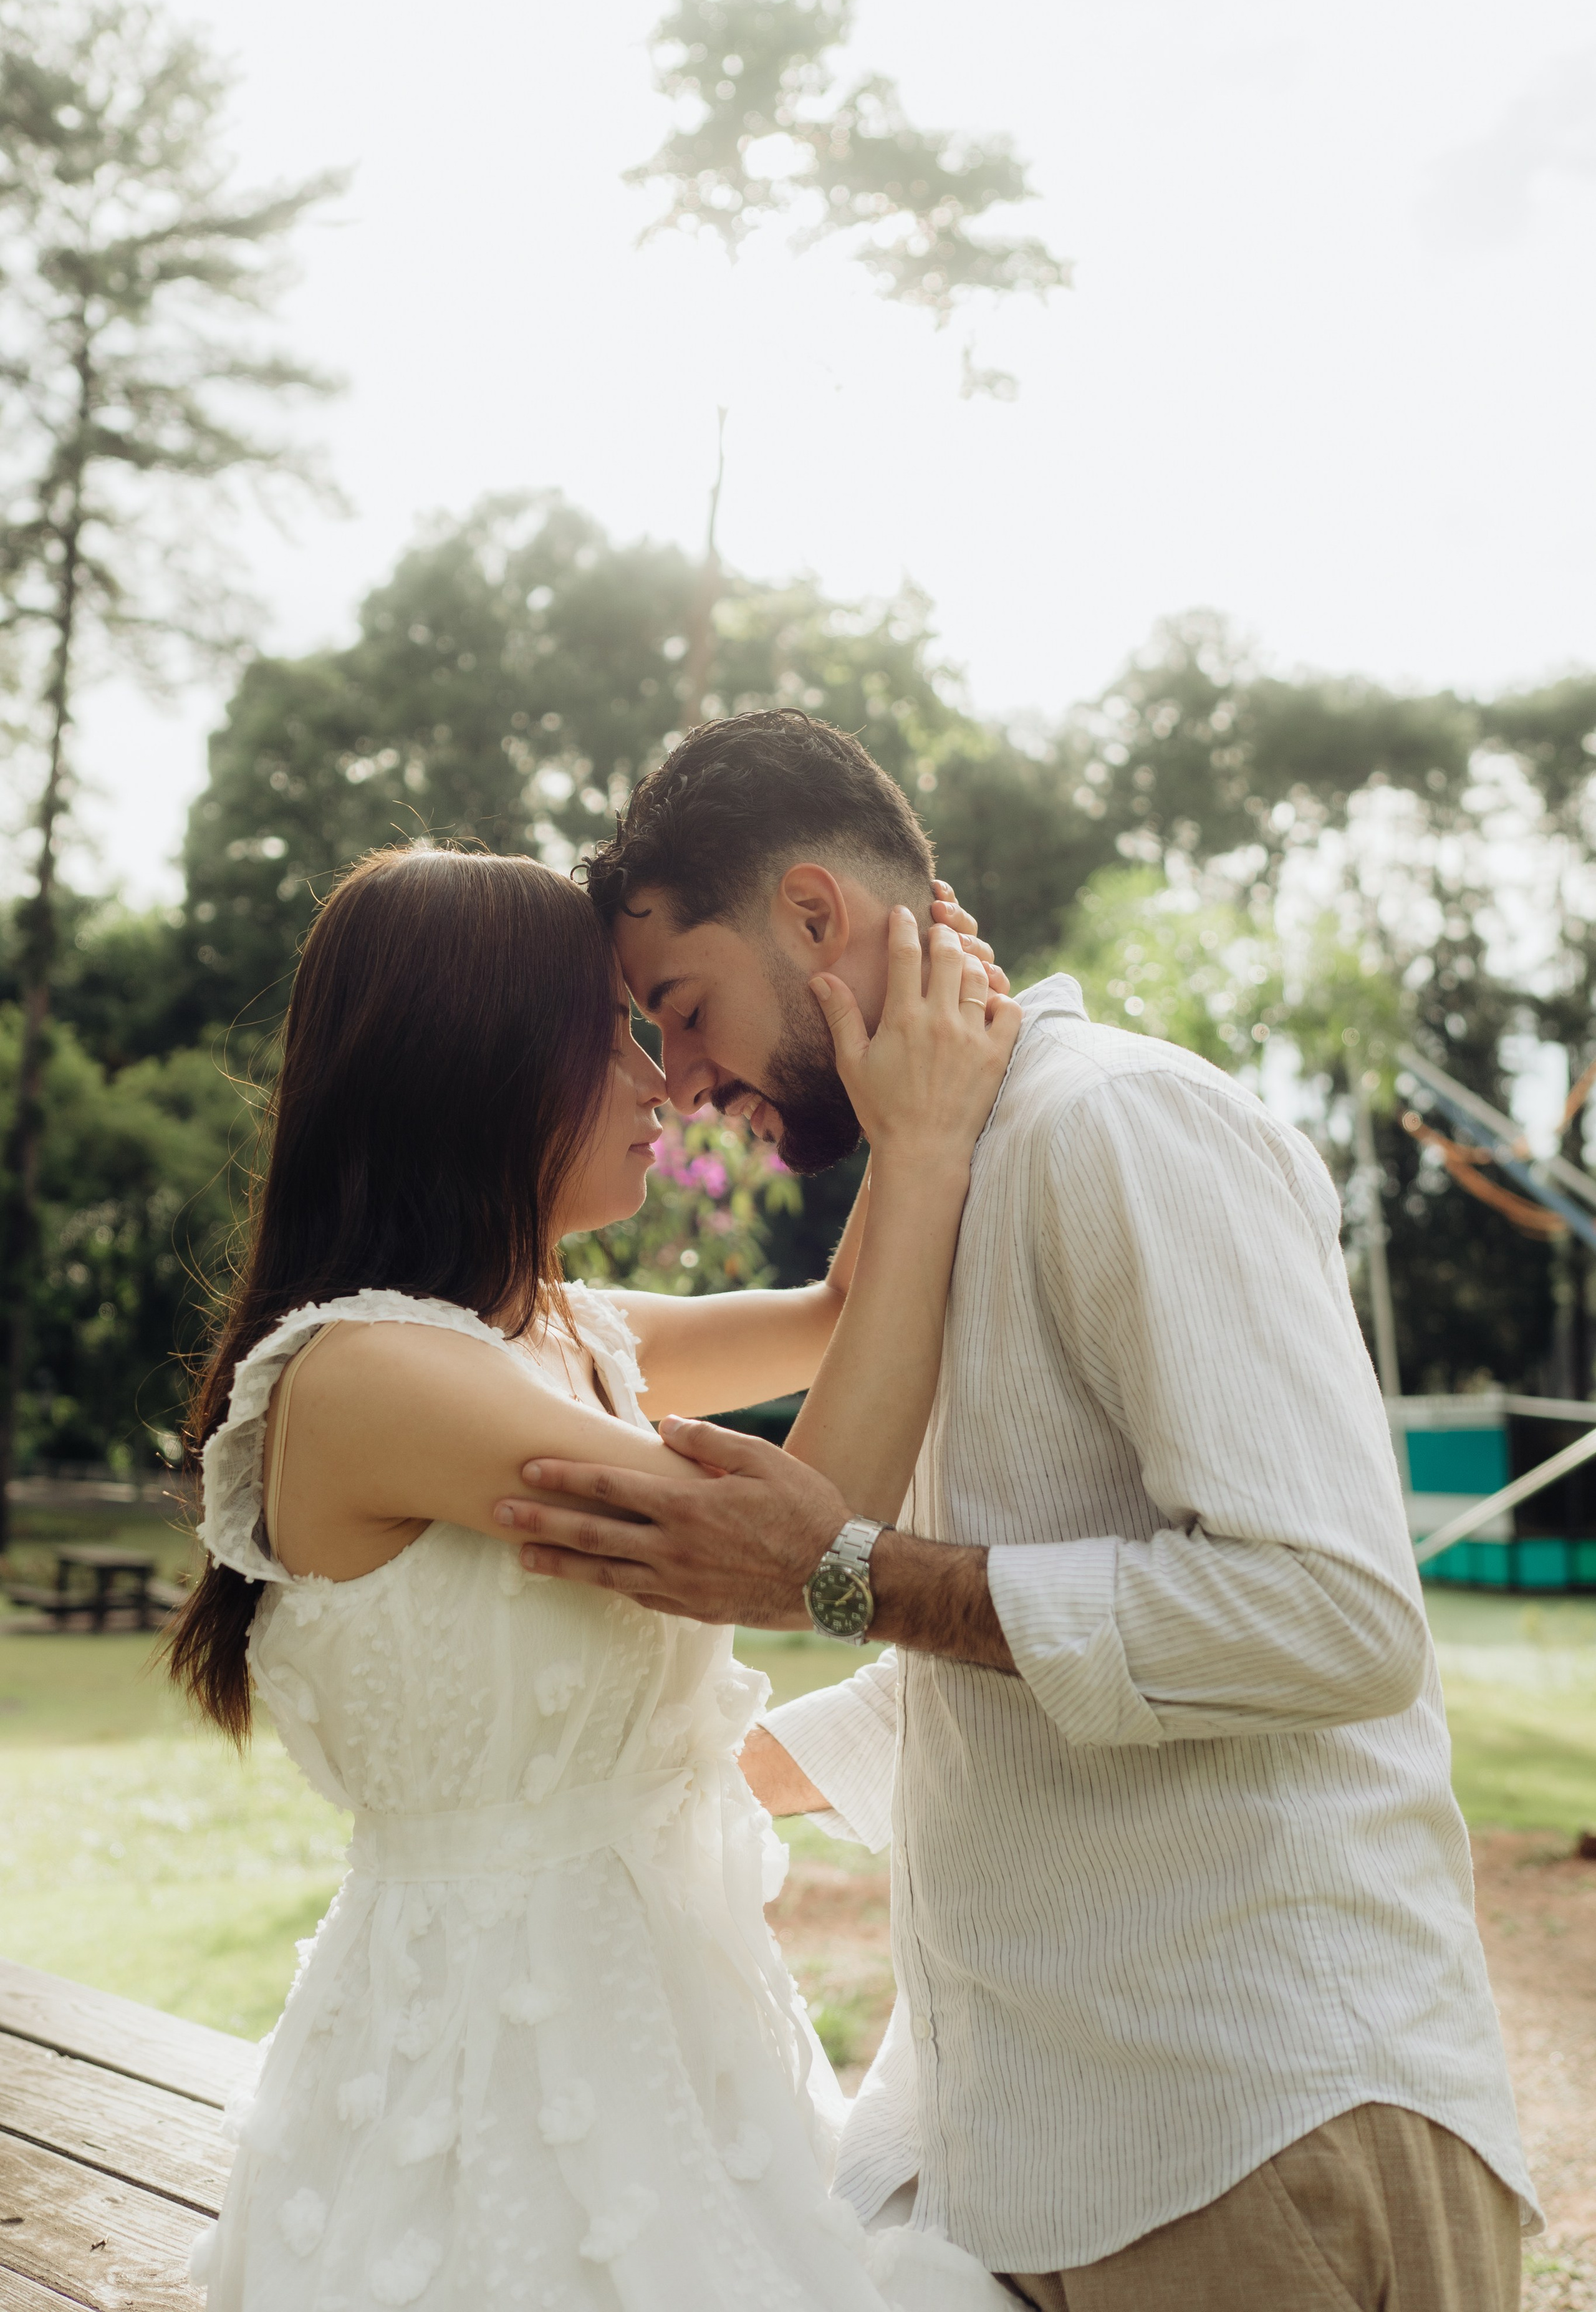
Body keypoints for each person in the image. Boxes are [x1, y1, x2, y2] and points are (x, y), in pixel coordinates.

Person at [491, 708, 1538, 2312]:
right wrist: (675, 1772)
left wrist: (842, 1576)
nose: (679, 1082)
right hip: (1031, 2150)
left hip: (1254, 2128)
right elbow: (1007, 1629)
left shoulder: (1115, 1123)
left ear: (817, 918)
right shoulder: (949, 1180)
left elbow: (1333, 1619)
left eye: (681, 1010)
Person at [165, 841, 1021, 2312]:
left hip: (673, 2030)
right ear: (474, 1071)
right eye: (609, 1041)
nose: (663, 1085)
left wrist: (891, 1036)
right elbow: (813, 1523)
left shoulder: (569, 1330)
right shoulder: (368, 1376)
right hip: (487, 2079)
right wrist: (930, 1150)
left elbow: (835, 1313)